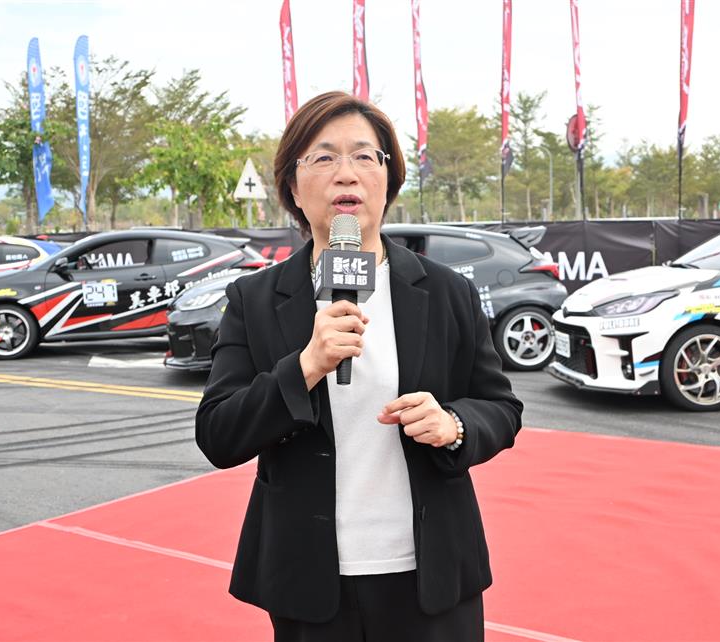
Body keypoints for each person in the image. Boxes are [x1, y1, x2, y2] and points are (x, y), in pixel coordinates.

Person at [195, 91, 523, 642]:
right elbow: (219, 434)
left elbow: (501, 408)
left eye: (365, 156)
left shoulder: (447, 292)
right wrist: (305, 366)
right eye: (323, 157)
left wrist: (454, 424)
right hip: (308, 579)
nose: (345, 172)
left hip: (432, 574)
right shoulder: (255, 300)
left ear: (388, 181)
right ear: (293, 187)